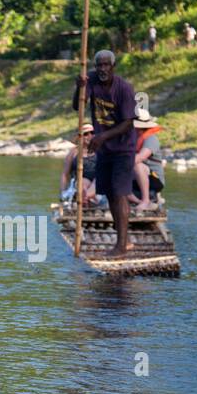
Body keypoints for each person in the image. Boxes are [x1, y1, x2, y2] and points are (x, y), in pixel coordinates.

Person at [73, 49, 138, 257]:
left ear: (113, 66)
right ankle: (124, 241)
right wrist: (79, 88)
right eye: (99, 65)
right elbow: (78, 106)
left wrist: (101, 137)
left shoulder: (124, 89)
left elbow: (128, 123)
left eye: (106, 65)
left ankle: (121, 245)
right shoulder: (91, 81)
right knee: (109, 194)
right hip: (105, 150)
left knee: (120, 194)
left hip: (123, 148)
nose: (102, 69)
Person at [129, 108, 164, 211]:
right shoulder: (133, 137)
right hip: (135, 177)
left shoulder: (151, 139)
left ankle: (145, 200)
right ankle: (136, 201)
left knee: (137, 164)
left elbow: (141, 157)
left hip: (154, 179)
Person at [60, 123, 98, 205]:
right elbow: (65, 174)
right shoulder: (73, 152)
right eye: (86, 134)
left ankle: (87, 196)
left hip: (97, 180)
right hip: (79, 181)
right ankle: (84, 195)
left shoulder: (100, 150)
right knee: (83, 182)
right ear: (80, 137)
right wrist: (63, 192)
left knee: (97, 179)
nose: (90, 136)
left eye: (92, 133)